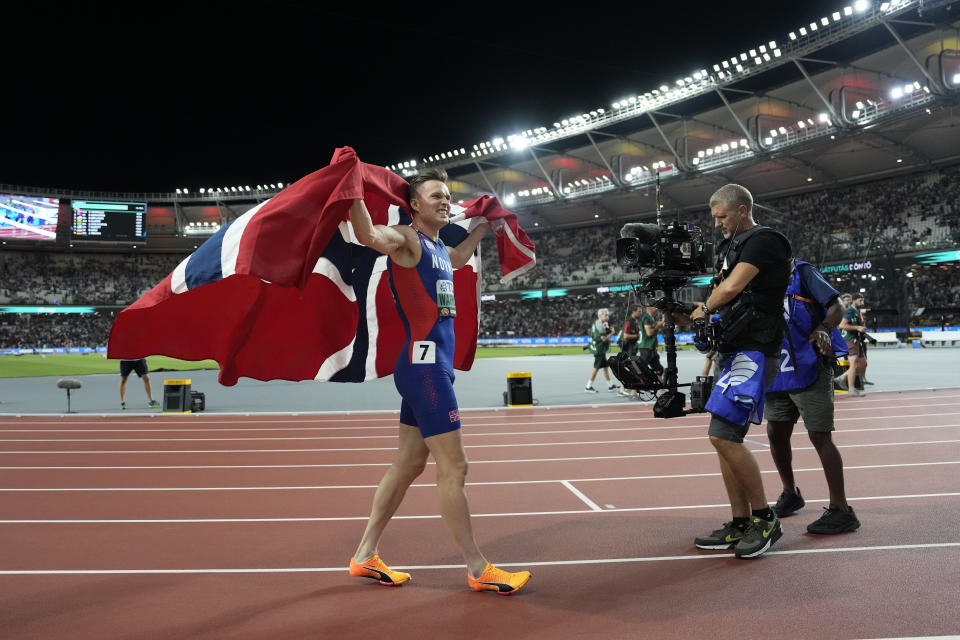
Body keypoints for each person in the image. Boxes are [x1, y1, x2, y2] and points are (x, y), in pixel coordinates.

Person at [346, 168, 531, 595]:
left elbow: (459, 259)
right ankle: (478, 567)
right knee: (455, 466)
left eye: (448, 196)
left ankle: (363, 555)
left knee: (409, 463)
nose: (445, 201)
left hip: (427, 368)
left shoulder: (436, 247)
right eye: (436, 196)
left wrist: (485, 225)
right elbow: (370, 236)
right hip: (424, 370)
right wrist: (351, 189)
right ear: (414, 205)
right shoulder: (407, 240)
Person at [686, 184, 792, 559]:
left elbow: (730, 288)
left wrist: (705, 309)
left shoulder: (764, 241)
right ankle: (741, 521)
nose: (716, 224)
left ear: (743, 209)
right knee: (723, 438)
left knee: (724, 436)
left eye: (722, 216)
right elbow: (721, 288)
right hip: (738, 351)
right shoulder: (732, 246)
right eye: (714, 217)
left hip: (756, 351)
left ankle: (764, 520)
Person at [765, 260, 861, 534]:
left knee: (819, 435)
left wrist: (823, 329)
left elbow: (837, 307)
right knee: (776, 431)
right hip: (778, 367)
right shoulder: (753, 275)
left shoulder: (801, 272)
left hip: (810, 363)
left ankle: (842, 510)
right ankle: (790, 493)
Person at [838, 293, 869, 396]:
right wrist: (857, 328)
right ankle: (851, 389)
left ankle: (842, 378)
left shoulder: (856, 311)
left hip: (856, 340)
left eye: (863, 301)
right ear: (854, 300)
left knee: (863, 363)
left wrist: (861, 328)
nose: (862, 303)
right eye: (860, 300)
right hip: (850, 340)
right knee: (854, 365)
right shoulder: (850, 310)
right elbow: (842, 325)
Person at [585, 308, 617, 392]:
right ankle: (588, 387)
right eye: (605, 315)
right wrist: (612, 333)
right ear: (600, 316)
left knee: (606, 367)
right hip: (599, 350)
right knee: (596, 368)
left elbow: (600, 338)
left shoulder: (599, 323)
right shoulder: (600, 325)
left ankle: (610, 385)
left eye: (607, 315)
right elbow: (602, 339)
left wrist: (609, 340)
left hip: (599, 349)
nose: (607, 316)